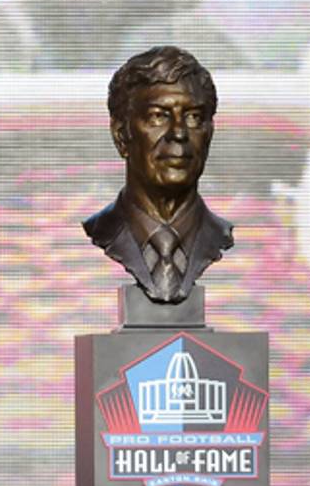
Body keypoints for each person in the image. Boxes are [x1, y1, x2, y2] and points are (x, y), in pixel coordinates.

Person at [83, 46, 233, 304]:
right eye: (158, 117)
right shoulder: (101, 230)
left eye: (194, 117)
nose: (179, 133)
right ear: (121, 135)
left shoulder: (224, 236)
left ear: (210, 132)